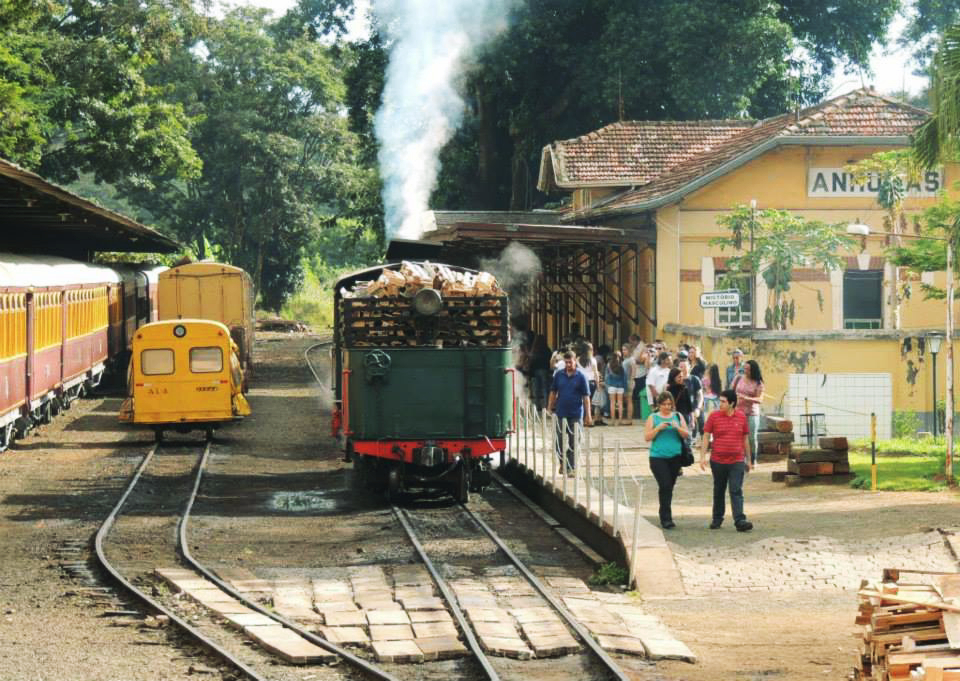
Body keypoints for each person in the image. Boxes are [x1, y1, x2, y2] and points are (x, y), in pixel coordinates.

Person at [700, 389, 753, 532]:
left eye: (723, 401)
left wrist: (749, 459)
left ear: (732, 403)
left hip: (737, 461)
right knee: (719, 490)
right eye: (720, 401)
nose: (720, 404)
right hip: (718, 461)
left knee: (736, 489)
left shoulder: (741, 417)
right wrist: (702, 457)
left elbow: (745, 438)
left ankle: (740, 520)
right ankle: (717, 519)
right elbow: (706, 436)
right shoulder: (714, 416)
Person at [644, 392, 689, 529]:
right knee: (665, 485)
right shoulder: (653, 417)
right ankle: (666, 517)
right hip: (657, 457)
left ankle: (665, 513)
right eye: (664, 404)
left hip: (675, 457)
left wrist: (677, 427)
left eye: (669, 404)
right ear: (659, 405)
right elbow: (647, 437)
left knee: (669, 487)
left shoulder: (677, 416)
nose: (667, 407)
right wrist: (658, 428)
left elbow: (686, 434)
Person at [547, 350, 592, 472]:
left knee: (575, 442)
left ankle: (570, 466)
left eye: (570, 362)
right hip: (561, 413)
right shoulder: (559, 375)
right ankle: (563, 462)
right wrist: (549, 407)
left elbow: (586, 397)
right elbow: (553, 392)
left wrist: (588, 415)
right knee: (559, 442)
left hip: (576, 414)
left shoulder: (581, 377)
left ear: (575, 361)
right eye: (566, 362)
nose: (568, 365)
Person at [733, 359, 765, 466]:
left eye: (748, 369)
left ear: (754, 371)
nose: (745, 371)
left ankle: (753, 459)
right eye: (745, 368)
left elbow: (760, 400)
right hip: (738, 412)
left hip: (752, 413)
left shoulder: (758, 383)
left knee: (751, 437)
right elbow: (731, 391)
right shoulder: (738, 378)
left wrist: (745, 398)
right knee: (738, 437)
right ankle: (741, 459)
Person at [528, 334, 552, 411]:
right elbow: (549, 359)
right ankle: (545, 406)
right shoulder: (547, 349)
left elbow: (531, 361)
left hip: (535, 371)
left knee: (536, 390)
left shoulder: (534, 350)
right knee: (545, 389)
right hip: (544, 370)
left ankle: (537, 406)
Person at [605, 351, 628, 425]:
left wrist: (607, 384)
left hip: (612, 386)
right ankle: (620, 420)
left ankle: (612, 421)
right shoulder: (621, 365)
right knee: (620, 403)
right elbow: (624, 378)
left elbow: (607, 376)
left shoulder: (608, 365)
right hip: (620, 386)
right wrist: (625, 388)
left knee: (612, 403)